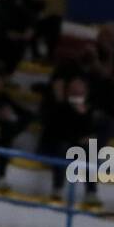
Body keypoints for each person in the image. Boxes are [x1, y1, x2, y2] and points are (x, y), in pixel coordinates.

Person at [39, 74, 97, 203]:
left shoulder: (87, 111)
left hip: (74, 147)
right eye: (74, 91)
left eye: (80, 92)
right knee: (62, 147)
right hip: (55, 145)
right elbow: (58, 132)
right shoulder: (59, 106)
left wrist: (82, 116)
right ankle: (57, 189)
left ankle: (91, 192)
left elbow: (89, 135)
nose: (77, 95)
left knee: (90, 149)